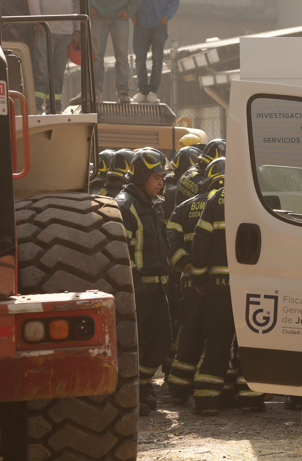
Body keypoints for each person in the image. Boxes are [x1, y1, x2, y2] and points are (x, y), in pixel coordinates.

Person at [190, 173, 266, 415]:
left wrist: (200, 276)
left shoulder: (216, 199)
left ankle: (206, 401)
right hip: (254, 290)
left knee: (217, 344)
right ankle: (250, 400)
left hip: (219, 290)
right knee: (253, 343)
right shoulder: (261, 198)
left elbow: (201, 239)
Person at [115, 148, 173, 415]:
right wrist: (135, 285)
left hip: (158, 288)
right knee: (137, 346)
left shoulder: (155, 204)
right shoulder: (124, 205)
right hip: (138, 291)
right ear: (141, 177)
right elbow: (122, 251)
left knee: (162, 341)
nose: (161, 182)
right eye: (156, 177)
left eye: (162, 177)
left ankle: (142, 386)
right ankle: (131, 394)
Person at [165, 161, 224, 406]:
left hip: (191, 284)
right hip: (220, 285)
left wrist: (187, 267)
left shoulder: (182, 207)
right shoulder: (227, 204)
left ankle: (178, 388)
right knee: (219, 336)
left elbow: (171, 242)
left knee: (189, 336)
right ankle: (223, 391)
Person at [27, 0, 82, 113]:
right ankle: (36, 106)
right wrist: (38, 21)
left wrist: (77, 29)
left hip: (65, 34)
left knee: (58, 74)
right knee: (42, 71)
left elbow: (77, 6)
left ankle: (54, 108)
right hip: (45, 31)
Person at [132, 0, 180, 104]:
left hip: (160, 24)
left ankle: (152, 92)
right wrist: (133, 16)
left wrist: (166, 17)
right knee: (140, 59)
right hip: (140, 23)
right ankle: (141, 91)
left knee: (157, 60)